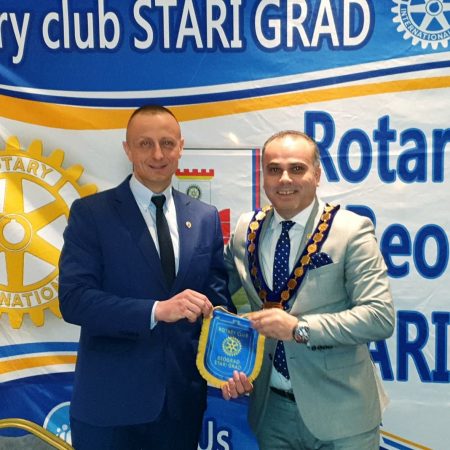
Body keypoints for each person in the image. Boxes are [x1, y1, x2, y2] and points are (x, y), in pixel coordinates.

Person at [58, 104, 232, 450]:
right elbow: (74, 300)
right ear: (127, 149)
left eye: (167, 143)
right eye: (145, 144)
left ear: (181, 147)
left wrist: (232, 362)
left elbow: (217, 303)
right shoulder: (91, 214)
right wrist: (156, 310)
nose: (158, 154)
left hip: (180, 407)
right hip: (110, 408)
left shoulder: (205, 217)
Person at [222, 130, 395, 450]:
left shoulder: (350, 230)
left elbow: (379, 317)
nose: (284, 179)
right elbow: (228, 299)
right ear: (263, 177)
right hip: (271, 412)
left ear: (317, 174)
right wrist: (231, 361)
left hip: (343, 413)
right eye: (274, 169)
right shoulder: (245, 230)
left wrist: (299, 328)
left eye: (297, 168)